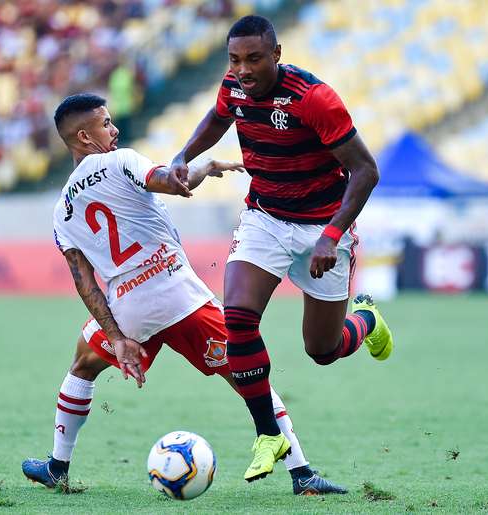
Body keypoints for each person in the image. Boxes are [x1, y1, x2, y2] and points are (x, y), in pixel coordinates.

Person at [22, 93, 347, 495]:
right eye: (107, 124)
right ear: (85, 137)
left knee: (82, 366)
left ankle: (57, 466)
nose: (115, 129)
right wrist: (199, 167)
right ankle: (302, 474)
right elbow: (170, 181)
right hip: (179, 295)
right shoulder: (120, 161)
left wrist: (118, 337)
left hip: (129, 307)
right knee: (248, 376)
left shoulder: (62, 212)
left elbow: (84, 281)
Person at [170, 15, 394, 481]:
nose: (243, 70)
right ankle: (269, 434)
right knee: (238, 318)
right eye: (234, 60)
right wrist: (182, 156)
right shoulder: (233, 87)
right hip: (264, 219)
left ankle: (367, 320)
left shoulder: (314, 99)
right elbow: (216, 118)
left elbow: (366, 170)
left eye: (253, 58)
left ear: (277, 53)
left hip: (321, 229)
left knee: (322, 350)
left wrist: (332, 235)